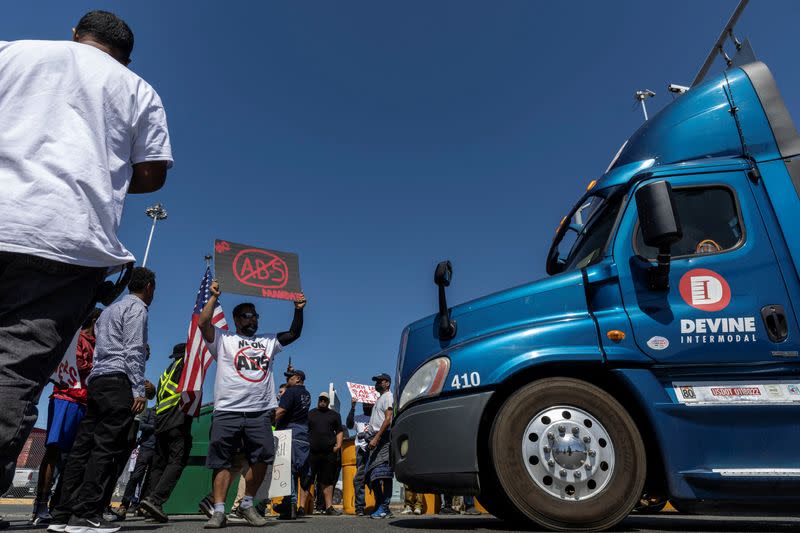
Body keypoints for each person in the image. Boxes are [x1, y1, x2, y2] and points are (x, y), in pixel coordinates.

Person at [0, 10, 172, 515]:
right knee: (10, 374)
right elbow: (152, 174)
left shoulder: (12, 51)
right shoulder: (139, 90)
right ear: (125, 55)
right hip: (63, 242)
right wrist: (105, 170)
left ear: (76, 36)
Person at [48, 267, 156, 533]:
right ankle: (85, 514)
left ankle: (61, 513)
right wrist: (138, 389)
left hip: (97, 382)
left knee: (82, 447)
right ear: (150, 287)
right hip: (118, 382)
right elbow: (133, 351)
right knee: (105, 449)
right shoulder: (138, 309)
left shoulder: (108, 311)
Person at [198, 280, 306, 529]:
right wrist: (213, 297)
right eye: (247, 316)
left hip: (260, 412)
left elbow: (294, 333)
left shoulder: (268, 341)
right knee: (222, 461)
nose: (252, 320)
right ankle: (219, 511)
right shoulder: (224, 339)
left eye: (255, 316)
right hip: (228, 410)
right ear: (236, 319)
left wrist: (298, 309)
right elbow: (203, 324)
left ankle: (247, 504)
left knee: (262, 458)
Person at [31, 309, 103, 526]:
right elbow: (80, 366)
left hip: (85, 403)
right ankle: (40, 506)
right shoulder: (77, 339)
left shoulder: (99, 345)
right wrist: (102, 366)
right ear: (94, 321)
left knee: (74, 457)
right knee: (54, 451)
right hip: (66, 399)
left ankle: (59, 504)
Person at [136, 343, 194, 523]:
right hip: (177, 419)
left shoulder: (166, 372)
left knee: (159, 464)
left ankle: (149, 503)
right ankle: (155, 500)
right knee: (177, 460)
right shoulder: (184, 364)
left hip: (161, 422)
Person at [273, 369, 312, 520]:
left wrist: (266, 421)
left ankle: (289, 504)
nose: (287, 379)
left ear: (298, 379)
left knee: (285, 469)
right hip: (302, 433)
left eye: (290, 377)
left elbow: (281, 411)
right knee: (295, 470)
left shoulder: (290, 392)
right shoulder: (306, 394)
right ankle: (288, 504)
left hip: (288, 432)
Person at [112, 399, 157, 520]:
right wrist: (155, 427)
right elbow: (141, 425)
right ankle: (124, 505)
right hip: (146, 447)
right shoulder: (150, 411)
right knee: (136, 476)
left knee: (150, 480)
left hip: (158, 450)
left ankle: (141, 506)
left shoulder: (167, 415)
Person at [304, 393, 343, 516]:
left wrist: (338, 445)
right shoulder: (310, 414)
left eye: (325, 400)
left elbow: (339, 430)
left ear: (328, 401)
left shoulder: (335, 415)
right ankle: (300, 507)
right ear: (318, 400)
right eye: (320, 399)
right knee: (307, 479)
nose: (322, 401)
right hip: (312, 453)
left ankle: (329, 507)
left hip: (328, 454)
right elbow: (304, 430)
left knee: (327, 480)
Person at [365, 373, 394, 519]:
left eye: (379, 381)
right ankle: (380, 505)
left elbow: (388, 419)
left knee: (384, 474)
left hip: (383, 439)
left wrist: (377, 437)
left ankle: (384, 507)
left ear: (387, 383)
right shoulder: (380, 398)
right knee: (371, 475)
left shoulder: (388, 396)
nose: (376, 383)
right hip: (374, 439)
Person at [346, 399, 373, 516]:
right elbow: (349, 424)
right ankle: (360, 507)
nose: (366, 406)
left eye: (368, 404)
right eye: (364, 404)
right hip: (361, 452)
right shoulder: (358, 418)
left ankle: (379, 505)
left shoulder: (376, 418)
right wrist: (352, 407)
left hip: (373, 450)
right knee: (359, 479)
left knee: (375, 478)